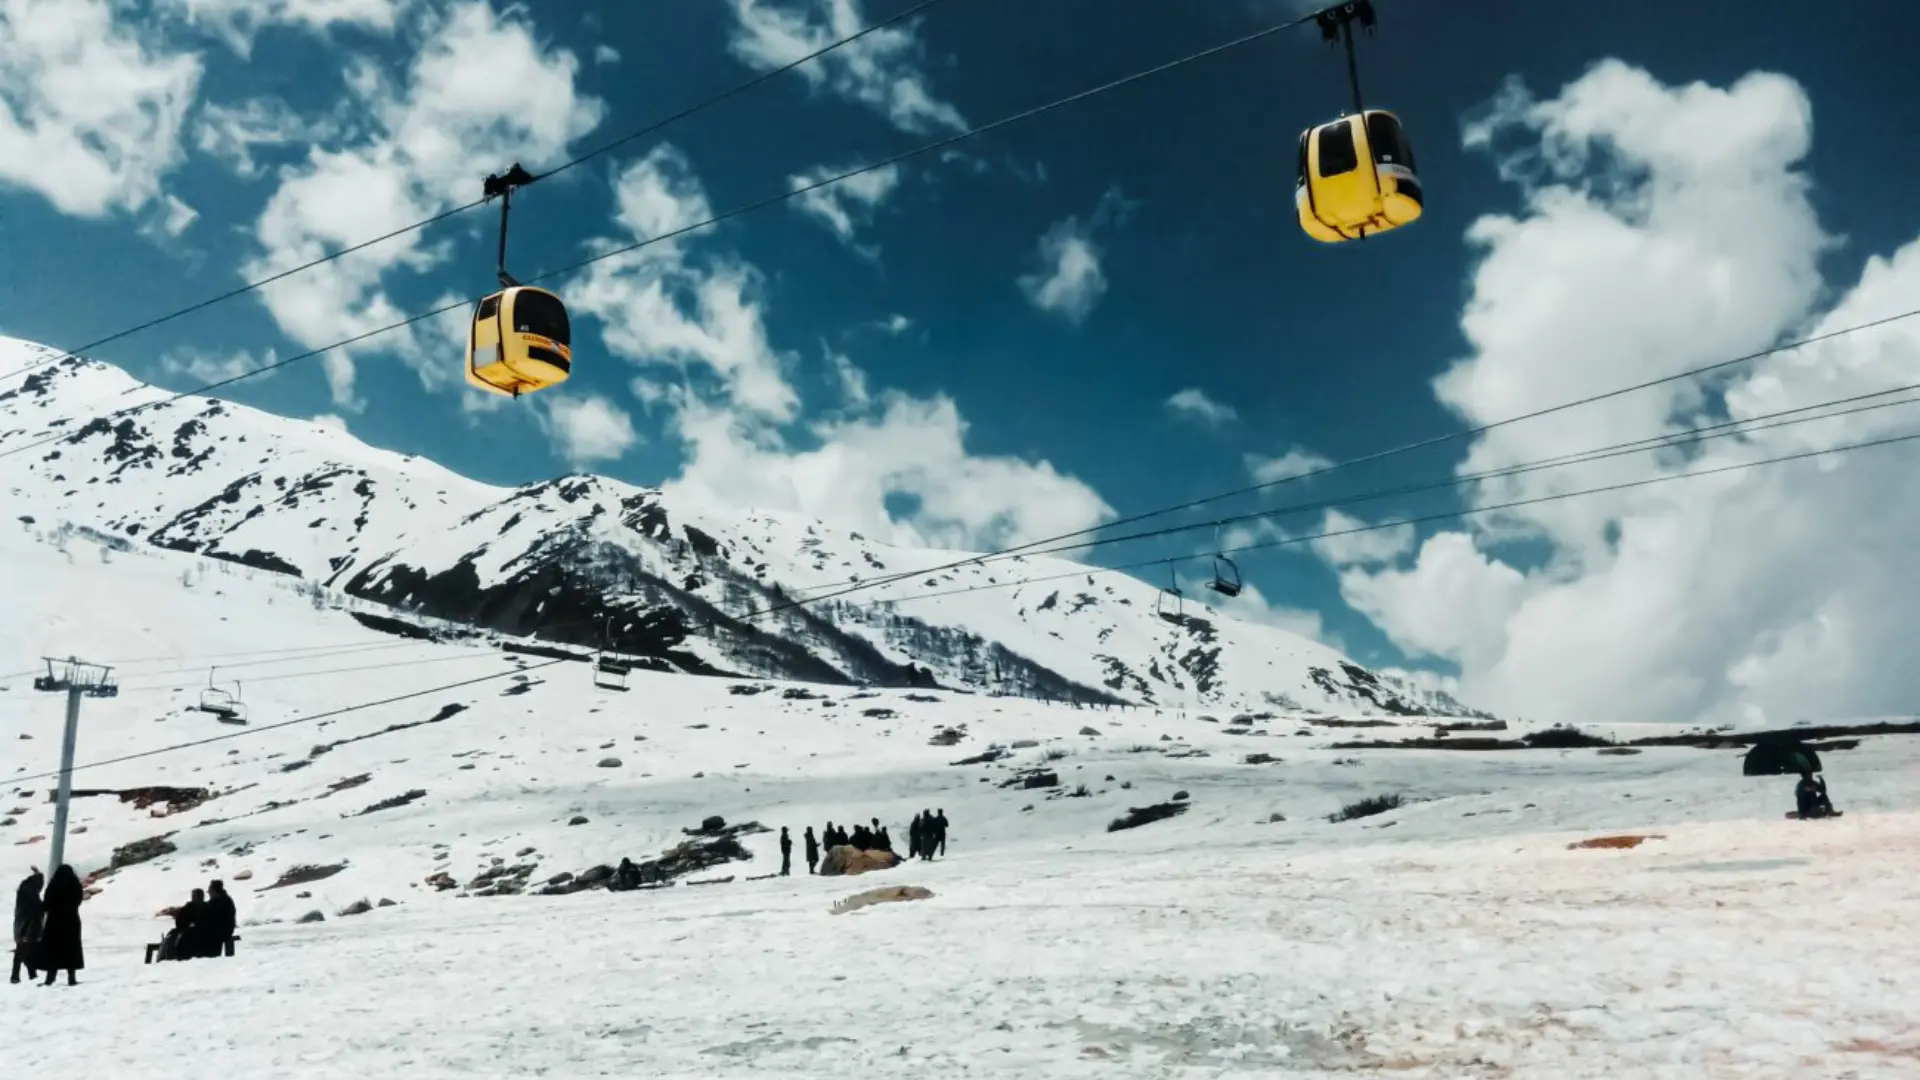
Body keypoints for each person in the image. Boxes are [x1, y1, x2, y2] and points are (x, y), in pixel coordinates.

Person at [35, 864, 83, 986]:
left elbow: (46, 905)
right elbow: (78, 900)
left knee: (53, 950)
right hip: (71, 921)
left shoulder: (53, 886)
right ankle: (71, 978)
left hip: (54, 923)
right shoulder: (75, 885)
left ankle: (50, 979)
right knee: (71, 949)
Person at [11, 868, 42, 984]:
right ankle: (15, 976)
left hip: (20, 926)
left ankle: (31, 975)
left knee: (27, 952)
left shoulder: (24, 891)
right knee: (23, 952)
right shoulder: (31, 894)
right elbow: (35, 911)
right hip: (28, 927)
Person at [205, 880, 237, 958]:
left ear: (215, 891)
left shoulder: (224, 902)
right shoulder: (217, 901)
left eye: (210, 891)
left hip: (222, 931)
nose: (209, 893)